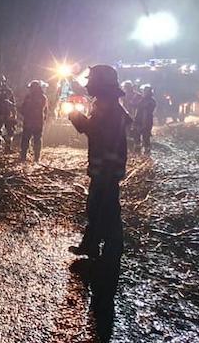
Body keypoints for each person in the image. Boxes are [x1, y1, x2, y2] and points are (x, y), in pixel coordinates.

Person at [68, 65, 132, 260]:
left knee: (105, 207)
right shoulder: (107, 105)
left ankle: (110, 248)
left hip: (106, 169)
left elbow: (96, 132)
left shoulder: (109, 108)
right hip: (105, 168)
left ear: (101, 84)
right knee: (98, 206)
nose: (88, 85)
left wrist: (76, 117)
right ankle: (94, 244)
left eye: (92, 81)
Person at [19, 80, 48, 162]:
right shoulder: (42, 97)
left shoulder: (32, 97)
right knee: (35, 140)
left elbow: (24, 109)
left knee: (28, 139)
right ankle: (34, 158)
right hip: (36, 123)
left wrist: (22, 111)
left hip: (31, 122)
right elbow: (45, 111)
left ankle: (27, 157)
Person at [0, 75, 17, 152]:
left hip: (7, 115)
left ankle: (7, 147)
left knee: (9, 132)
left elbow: (13, 103)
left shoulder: (8, 91)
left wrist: (14, 114)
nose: (0, 83)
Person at [132, 84, 156, 155]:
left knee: (146, 136)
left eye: (145, 91)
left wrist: (144, 123)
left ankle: (147, 150)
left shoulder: (150, 101)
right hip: (139, 120)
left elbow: (145, 109)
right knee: (137, 134)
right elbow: (134, 105)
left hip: (146, 121)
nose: (144, 93)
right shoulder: (142, 100)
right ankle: (138, 149)